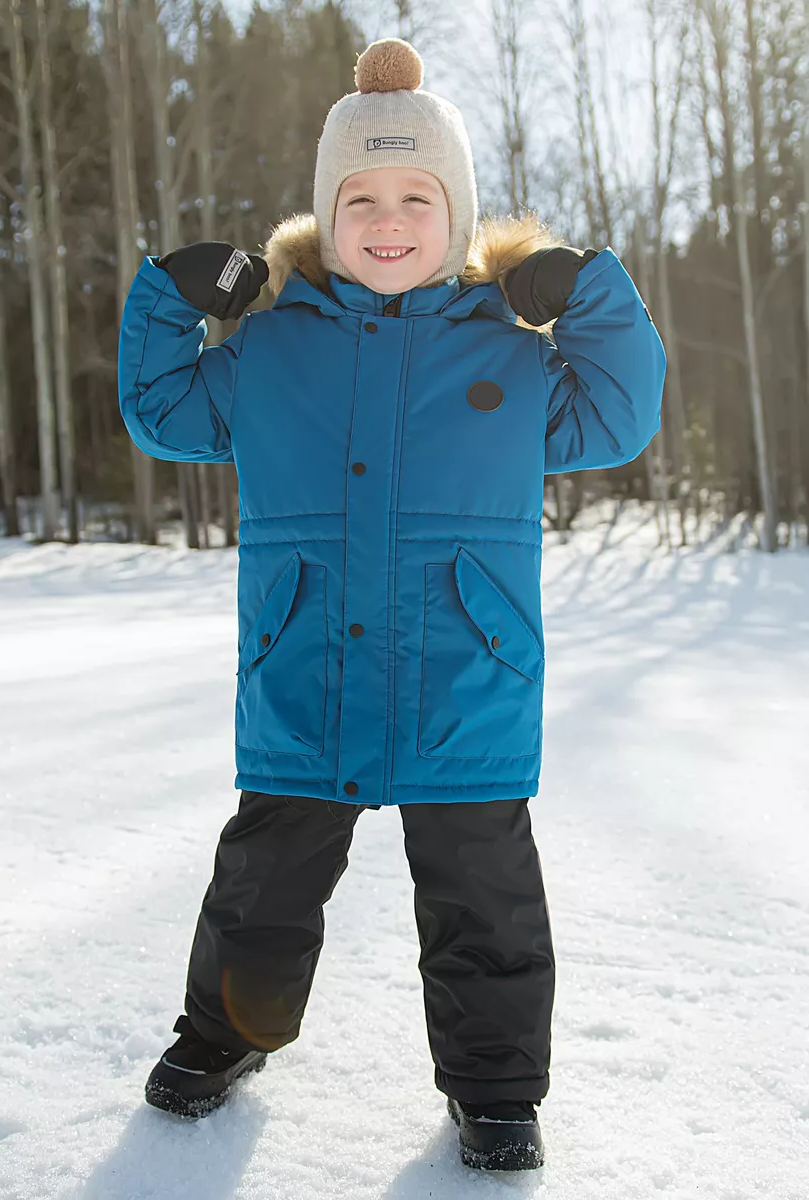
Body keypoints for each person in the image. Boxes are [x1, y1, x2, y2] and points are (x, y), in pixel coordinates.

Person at [117, 37, 666, 1172]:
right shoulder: (268, 350)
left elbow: (615, 416)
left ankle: (498, 1090)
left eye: (418, 196)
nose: (387, 218)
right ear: (327, 213)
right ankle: (222, 1036)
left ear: (456, 215)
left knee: (486, 904)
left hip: (465, 673)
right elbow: (165, 408)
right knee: (262, 883)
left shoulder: (512, 362)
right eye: (360, 196)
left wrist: (588, 290)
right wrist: (172, 297)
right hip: (305, 666)